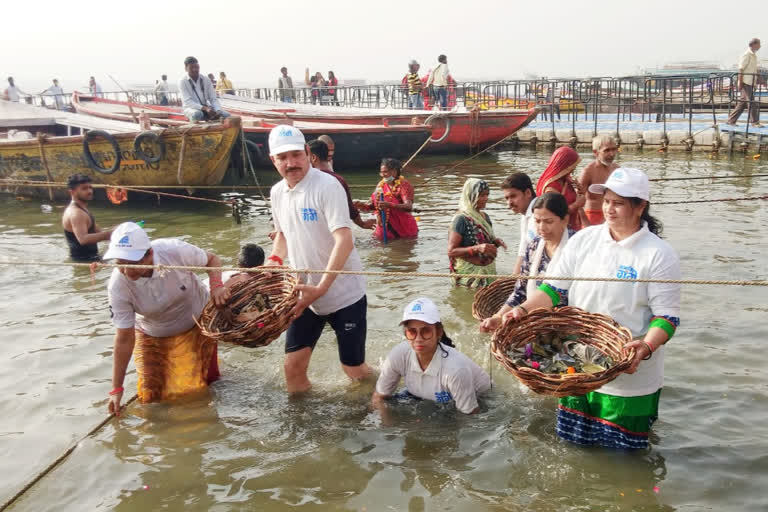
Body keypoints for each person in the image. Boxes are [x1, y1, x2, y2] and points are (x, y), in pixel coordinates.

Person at [499, 168, 681, 450]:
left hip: (629, 377)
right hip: (576, 371)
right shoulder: (584, 240)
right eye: (606, 200)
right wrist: (521, 311)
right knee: (574, 450)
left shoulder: (658, 254)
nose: (609, 208)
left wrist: (644, 347)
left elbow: (666, 318)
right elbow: (553, 290)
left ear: (640, 206)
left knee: (625, 459)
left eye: (618, 203)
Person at [265, 125, 372, 393]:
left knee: (354, 370)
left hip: (344, 295)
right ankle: (304, 423)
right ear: (273, 160)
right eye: (283, 158)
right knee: (292, 368)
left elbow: (345, 240)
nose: (291, 164)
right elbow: (283, 234)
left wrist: (321, 289)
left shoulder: (327, 185)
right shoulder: (277, 192)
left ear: (308, 153)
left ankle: (389, 385)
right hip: (304, 296)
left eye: (296, 155)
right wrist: (275, 259)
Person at [104, 222, 231, 413]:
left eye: (131, 263)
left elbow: (212, 260)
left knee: (206, 384)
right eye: (119, 263)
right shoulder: (118, 286)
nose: (125, 270)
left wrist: (216, 286)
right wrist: (116, 388)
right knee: (151, 396)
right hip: (152, 331)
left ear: (149, 255)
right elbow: (124, 338)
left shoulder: (173, 251)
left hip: (197, 321)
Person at [373, 298, 491, 415]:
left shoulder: (456, 370)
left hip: (479, 399)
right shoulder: (398, 355)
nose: (418, 339)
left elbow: (470, 417)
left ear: (438, 332)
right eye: (412, 332)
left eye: (426, 331)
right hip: (422, 396)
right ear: (405, 333)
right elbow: (379, 398)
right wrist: (388, 429)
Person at [480, 193, 574, 331]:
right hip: (534, 318)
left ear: (565, 220)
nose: (541, 227)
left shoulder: (576, 245)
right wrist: (498, 317)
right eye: (537, 221)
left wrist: (523, 310)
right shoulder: (534, 246)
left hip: (569, 322)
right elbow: (521, 291)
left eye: (548, 222)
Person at [448, 178, 506, 288]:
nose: (486, 199)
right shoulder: (461, 219)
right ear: (471, 195)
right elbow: (451, 251)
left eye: (487, 195)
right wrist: (476, 248)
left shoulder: (485, 217)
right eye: (482, 195)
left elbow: (486, 241)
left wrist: (496, 242)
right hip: (468, 275)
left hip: (488, 272)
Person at [308, 139, 375, 230]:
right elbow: (350, 208)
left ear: (313, 158)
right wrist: (361, 224)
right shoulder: (339, 179)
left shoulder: (307, 180)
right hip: (336, 230)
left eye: (304, 157)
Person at [355, 158, 418, 241]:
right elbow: (373, 206)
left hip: (403, 228)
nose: (382, 175)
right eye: (381, 172)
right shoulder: (381, 185)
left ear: (394, 172)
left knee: (402, 249)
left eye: (385, 172)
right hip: (383, 227)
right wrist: (362, 205)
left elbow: (408, 207)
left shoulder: (404, 185)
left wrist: (390, 205)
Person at [61, 174, 113, 261]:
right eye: (84, 188)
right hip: (84, 261)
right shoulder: (76, 213)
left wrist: (119, 231)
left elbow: (98, 232)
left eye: (90, 187)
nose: (89, 191)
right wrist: (109, 234)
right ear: (72, 192)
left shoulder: (82, 209)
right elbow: (83, 239)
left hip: (93, 257)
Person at [536, 146, 585, 230]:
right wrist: (577, 204)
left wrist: (580, 190)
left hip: (573, 226)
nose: (573, 170)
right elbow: (554, 213)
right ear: (565, 165)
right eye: (572, 166)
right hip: (560, 231)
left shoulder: (565, 179)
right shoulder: (551, 187)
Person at [501, 172, 537, 276]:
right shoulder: (525, 215)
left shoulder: (539, 214)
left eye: (513, 196)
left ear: (528, 193)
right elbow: (523, 251)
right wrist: (513, 279)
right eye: (507, 198)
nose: (509, 203)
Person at [579, 135, 619, 225]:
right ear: (596, 152)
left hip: (612, 215)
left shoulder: (617, 169)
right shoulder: (588, 171)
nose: (612, 154)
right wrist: (585, 223)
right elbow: (577, 201)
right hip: (592, 216)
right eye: (607, 150)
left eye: (614, 149)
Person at [179, 56, 230, 122]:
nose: (195, 70)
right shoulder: (182, 81)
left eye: (197, 67)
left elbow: (213, 98)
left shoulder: (206, 79)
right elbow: (188, 102)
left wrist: (218, 110)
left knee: (226, 115)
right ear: (186, 68)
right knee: (197, 114)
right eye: (192, 68)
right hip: (191, 108)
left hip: (206, 107)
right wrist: (205, 108)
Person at [727, 38, 762, 127]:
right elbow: (741, 69)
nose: (760, 46)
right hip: (746, 82)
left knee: (742, 103)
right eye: (759, 44)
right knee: (751, 102)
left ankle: (731, 120)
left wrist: (759, 78)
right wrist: (740, 82)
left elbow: (754, 69)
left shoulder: (754, 55)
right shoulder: (746, 55)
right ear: (754, 44)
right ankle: (754, 122)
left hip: (750, 81)